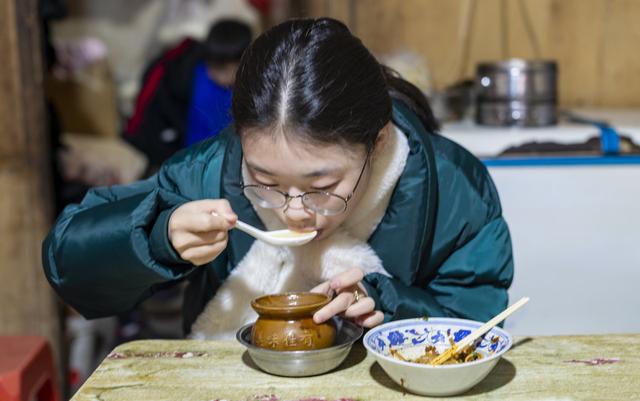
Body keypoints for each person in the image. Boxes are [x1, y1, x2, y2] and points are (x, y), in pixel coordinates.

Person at [43, 18, 513, 338]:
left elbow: (477, 323)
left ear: (380, 142)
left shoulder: (450, 182)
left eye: (322, 187)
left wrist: (388, 305)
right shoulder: (213, 169)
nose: (293, 210)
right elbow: (69, 262)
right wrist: (157, 239)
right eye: (265, 179)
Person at [125, 19, 252, 171]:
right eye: (214, 68)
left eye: (226, 71)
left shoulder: (250, 85)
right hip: (189, 159)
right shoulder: (187, 76)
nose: (220, 77)